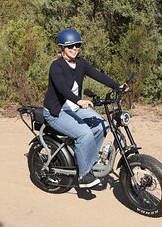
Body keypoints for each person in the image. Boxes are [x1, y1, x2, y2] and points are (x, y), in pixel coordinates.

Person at [43, 28, 127, 189]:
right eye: (70, 46)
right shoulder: (56, 66)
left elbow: (98, 75)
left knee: (103, 125)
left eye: (77, 45)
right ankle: (84, 175)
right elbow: (62, 89)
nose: (75, 49)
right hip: (56, 111)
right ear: (62, 48)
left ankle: (88, 160)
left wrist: (118, 86)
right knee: (84, 133)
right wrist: (79, 100)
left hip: (74, 107)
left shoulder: (81, 63)